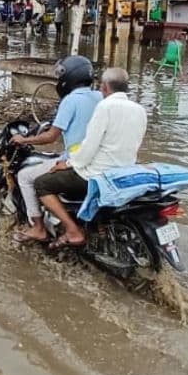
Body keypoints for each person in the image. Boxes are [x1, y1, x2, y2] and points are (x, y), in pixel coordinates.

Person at [33, 67, 147, 249]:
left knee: (42, 183)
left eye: (101, 86)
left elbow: (89, 146)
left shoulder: (105, 107)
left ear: (105, 87)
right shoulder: (139, 110)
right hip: (123, 172)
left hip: (97, 174)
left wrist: (68, 163)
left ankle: (73, 230)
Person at [10, 56, 102, 245]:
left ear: (69, 77)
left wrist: (24, 139)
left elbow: (51, 136)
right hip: (98, 160)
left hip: (75, 161)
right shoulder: (100, 96)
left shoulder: (70, 100)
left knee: (25, 177)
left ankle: (39, 228)